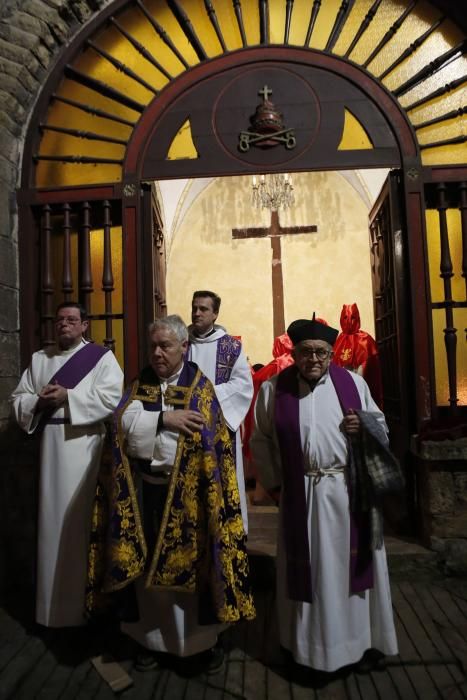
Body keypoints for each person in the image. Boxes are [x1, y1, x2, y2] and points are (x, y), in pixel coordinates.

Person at [87, 315, 255, 673]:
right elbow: (122, 427)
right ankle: (151, 641)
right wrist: (165, 420)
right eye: (154, 347)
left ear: (183, 347)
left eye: (165, 346)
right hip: (146, 490)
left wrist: (158, 426)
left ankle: (199, 645)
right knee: (148, 571)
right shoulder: (140, 383)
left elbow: (212, 441)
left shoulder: (200, 387)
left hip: (192, 500)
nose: (158, 353)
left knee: (191, 574)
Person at [250, 314, 398, 674]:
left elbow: (382, 428)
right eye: (305, 353)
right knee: (309, 576)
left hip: (348, 493)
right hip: (301, 496)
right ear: (294, 353)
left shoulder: (353, 384)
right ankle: (306, 649)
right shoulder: (274, 389)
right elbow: (261, 440)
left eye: (321, 353)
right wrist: (278, 487)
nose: (313, 360)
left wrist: (362, 427)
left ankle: (356, 645)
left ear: (332, 355)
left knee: (350, 574)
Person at [9, 301, 123, 628]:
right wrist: (38, 401)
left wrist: (68, 398)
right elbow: (18, 399)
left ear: (85, 325)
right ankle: (52, 613)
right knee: (51, 529)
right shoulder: (40, 360)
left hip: (85, 449)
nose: (64, 325)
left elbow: (111, 398)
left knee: (82, 527)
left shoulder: (101, 359)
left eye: (72, 320)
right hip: (50, 451)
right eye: (60, 320)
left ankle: (88, 609)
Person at [187, 291, 253, 532]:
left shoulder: (230, 346)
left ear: (215, 314)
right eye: (194, 308)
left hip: (219, 426)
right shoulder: (182, 342)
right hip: (186, 425)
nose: (196, 313)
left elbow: (243, 386)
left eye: (203, 309)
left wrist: (203, 395)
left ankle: (228, 531)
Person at [333, 303, 383, 408]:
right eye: (345, 317)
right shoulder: (338, 341)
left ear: (358, 318)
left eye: (353, 318)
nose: (349, 321)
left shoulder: (365, 339)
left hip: (362, 384)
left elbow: (371, 367)